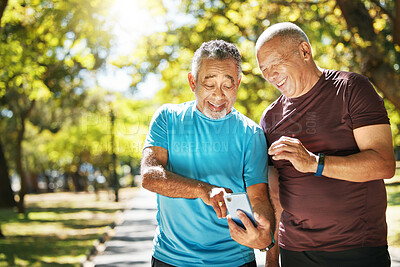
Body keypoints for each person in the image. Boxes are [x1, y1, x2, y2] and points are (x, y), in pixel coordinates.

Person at [255, 22, 395, 267]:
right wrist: (271, 257)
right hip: (295, 253)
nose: (269, 76)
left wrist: (313, 163)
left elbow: (384, 163)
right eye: (263, 70)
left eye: (275, 63)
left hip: (358, 249)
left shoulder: (351, 89)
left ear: (305, 51)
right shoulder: (270, 117)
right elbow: (275, 194)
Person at [141, 39, 276, 267]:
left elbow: (259, 197)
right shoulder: (167, 118)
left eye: (228, 85)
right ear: (193, 82)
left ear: (239, 84)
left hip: (235, 260)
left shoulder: (251, 133)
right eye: (209, 84)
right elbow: (150, 176)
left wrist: (263, 230)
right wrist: (202, 189)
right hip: (171, 259)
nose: (218, 95)